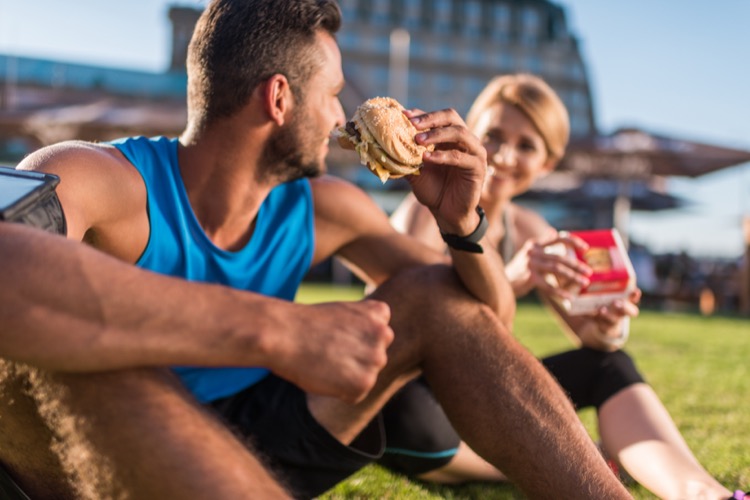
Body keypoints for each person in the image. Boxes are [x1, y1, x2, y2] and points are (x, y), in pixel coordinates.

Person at [0, 2, 634, 499]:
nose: (340, 118)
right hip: (97, 457)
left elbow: (481, 316)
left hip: (259, 436)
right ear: (279, 98)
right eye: (333, 94)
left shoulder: (322, 207)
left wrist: (461, 222)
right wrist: (277, 330)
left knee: (433, 294)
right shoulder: (100, 178)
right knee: (83, 360)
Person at [384, 73, 744, 500]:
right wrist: (511, 279)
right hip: (416, 398)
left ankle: (705, 494)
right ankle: (577, 460)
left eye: (527, 146)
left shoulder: (532, 230)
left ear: (547, 165)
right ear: (470, 133)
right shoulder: (425, 208)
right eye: (493, 135)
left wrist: (609, 323)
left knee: (609, 364)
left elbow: (592, 339)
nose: (503, 154)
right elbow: (401, 323)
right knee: (414, 418)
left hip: (477, 398)